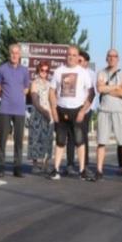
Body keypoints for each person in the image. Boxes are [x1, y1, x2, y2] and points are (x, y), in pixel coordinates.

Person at [50, 46, 93, 180]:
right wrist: (53, 110)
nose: (71, 57)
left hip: (77, 110)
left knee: (80, 141)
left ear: (78, 57)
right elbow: (51, 91)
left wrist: (83, 111)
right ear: (65, 56)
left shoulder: (83, 72)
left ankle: (82, 171)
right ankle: (56, 169)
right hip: (61, 110)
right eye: (69, 55)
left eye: (74, 55)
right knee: (60, 141)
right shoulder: (58, 71)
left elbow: (91, 93)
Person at [95, 49, 122, 182]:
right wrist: (115, 87)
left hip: (119, 112)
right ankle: (99, 170)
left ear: (118, 58)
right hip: (104, 111)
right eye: (109, 56)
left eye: (114, 56)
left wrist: (108, 88)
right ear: (106, 58)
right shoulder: (101, 72)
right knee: (101, 142)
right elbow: (99, 89)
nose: (112, 58)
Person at [0, 43, 32, 178]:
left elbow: (27, 88)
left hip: (20, 110)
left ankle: (17, 168)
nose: (15, 55)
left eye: (17, 53)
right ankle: (1, 168)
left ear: (20, 55)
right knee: (2, 139)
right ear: (9, 54)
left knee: (18, 140)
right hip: (5, 108)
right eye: (12, 53)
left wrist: (19, 94)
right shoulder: (2, 69)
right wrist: (4, 96)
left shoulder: (24, 70)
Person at [28, 61, 55, 174]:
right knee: (35, 138)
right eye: (42, 70)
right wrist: (42, 110)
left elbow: (52, 100)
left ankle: (46, 164)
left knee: (48, 139)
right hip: (38, 114)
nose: (44, 72)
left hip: (48, 114)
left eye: (46, 71)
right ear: (38, 71)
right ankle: (35, 164)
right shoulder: (34, 83)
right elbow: (34, 100)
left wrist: (52, 113)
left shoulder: (50, 84)